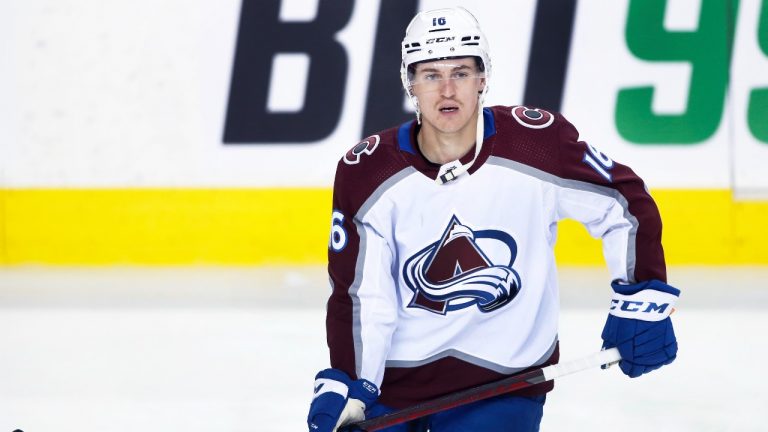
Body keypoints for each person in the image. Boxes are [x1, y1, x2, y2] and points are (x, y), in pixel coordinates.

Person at [307, 7, 679, 432]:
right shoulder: (368, 172)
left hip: (502, 380)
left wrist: (642, 300)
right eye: (430, 75)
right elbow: (361, 295)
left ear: (483, 78)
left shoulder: (536, 147)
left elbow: (623, 202)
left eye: (461, 72)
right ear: (409, 82)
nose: (447, 90)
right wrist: (352, 383)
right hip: (391, 386)